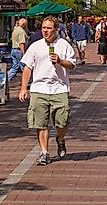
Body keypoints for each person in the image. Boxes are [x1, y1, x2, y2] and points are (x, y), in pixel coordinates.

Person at [19, 16, 76, 166]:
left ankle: (60, 139)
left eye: (49, 28)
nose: (45, 30)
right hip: (39, 88)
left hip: (59, 88)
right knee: (41, 123)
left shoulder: (64, 45)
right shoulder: (35, 46)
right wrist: (24, 88)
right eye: (43, 28)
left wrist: (60, 61)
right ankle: (44, 153)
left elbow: (72, 65)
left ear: (56, 29)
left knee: (62, 122)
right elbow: (27, 67)